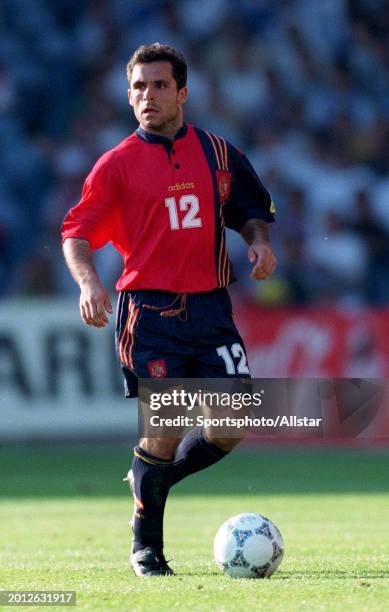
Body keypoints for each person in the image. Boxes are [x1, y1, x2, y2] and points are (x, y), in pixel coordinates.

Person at [61, 43, 277, 576]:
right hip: (150, 312)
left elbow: (250, 207)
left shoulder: (218, 153)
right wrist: (89, 284)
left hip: (211, 309)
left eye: (159, 86)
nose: (147, 96)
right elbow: (76, 233)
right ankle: (147, 549)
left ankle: (149, 477)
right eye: (138, 87)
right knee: (166, 428)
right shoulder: (115, 165)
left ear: (182, 92)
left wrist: (259, 241)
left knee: (232, 424)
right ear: (128, 95)